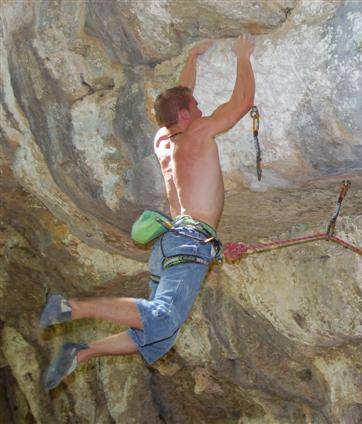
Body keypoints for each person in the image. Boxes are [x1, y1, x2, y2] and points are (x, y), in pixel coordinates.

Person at [40, 34, 256, 391]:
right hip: (189, 243)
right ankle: (71, 307)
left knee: (158, 335)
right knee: (163, 318)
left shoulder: (163, 141)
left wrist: (192, 57)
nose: (202, 110)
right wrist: (243, 57)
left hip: (169, 244)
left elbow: (175, 101)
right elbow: (242, 101)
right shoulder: (199, 132)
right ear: (187, 115)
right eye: (196, 106)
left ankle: (81, 353)